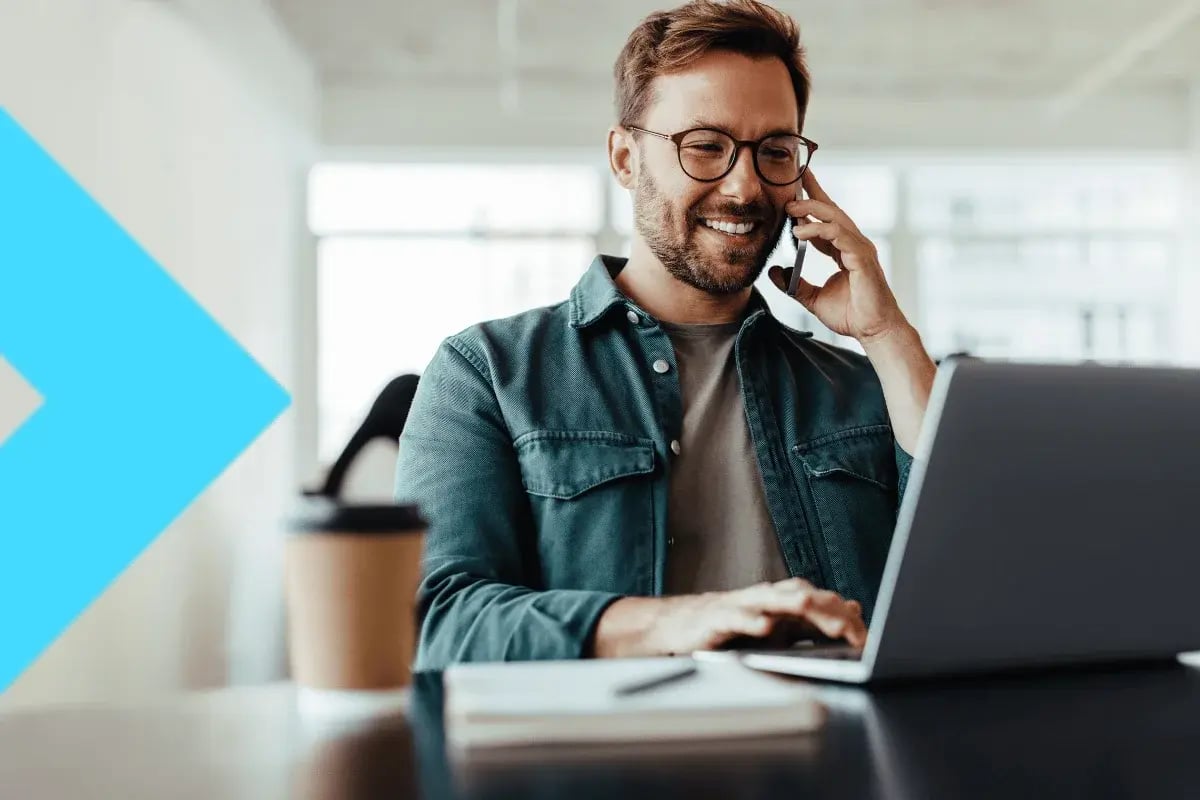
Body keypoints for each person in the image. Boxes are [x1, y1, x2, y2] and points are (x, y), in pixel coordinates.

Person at [396, 0, 936, 669]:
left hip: (836, 762)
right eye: (706, 146)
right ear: (625, 157)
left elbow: (972, 584)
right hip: (605, 765)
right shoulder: (487, 373)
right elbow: (435, 621)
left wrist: (886, 334)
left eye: (775, 152)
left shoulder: (861, 387)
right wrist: (681, 620)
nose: (744, 187)